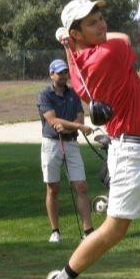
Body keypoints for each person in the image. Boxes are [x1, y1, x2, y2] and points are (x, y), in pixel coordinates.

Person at [34, 0, 140, 279]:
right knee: (115, 230)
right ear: (76, 33)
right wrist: (73, 45)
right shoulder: (105, 56)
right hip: (132, 151)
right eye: (93, 23)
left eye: (101, 19)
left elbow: (84, 57)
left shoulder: (81, 65)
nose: (102, 25)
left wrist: (72, 46)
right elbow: (125, 39)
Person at [37, 58, 94, 243]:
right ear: (51, 74)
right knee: (53, 188)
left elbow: (80, 121)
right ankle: (55, 231)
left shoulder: (74, 95)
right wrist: (74, 127)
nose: (63, 76)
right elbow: (52, 121)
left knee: (81, 186)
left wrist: (69, 128)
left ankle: (88, 231)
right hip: (52, 144)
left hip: (70, 143)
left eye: (64, 72)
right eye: (59, 73)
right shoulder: (45, 95)